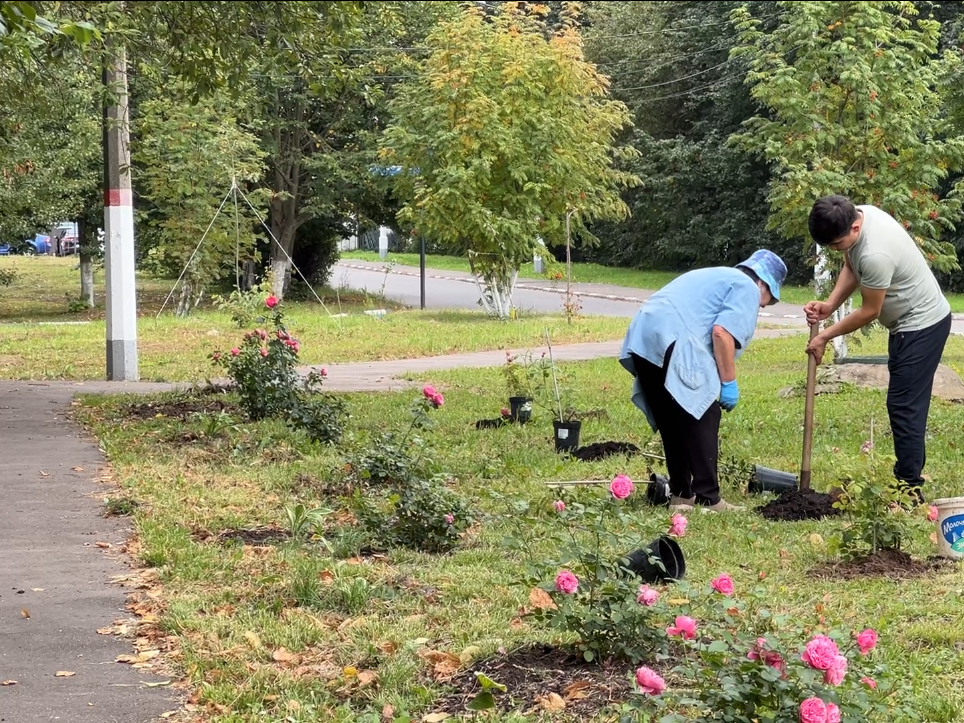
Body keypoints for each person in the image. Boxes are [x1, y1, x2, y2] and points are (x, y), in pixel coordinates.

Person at [804, 195, 952, 505]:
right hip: (907, 325)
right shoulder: (862, 216)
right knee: (904, 404)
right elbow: (851, 265)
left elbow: (870, 310)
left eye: (837, 243)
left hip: (922, 326)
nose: (836, 249)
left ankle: (909, 490)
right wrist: (830, 305)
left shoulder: (875, 253)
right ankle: (905, 482)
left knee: (905, 407)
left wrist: (825, 336)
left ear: (855, 227)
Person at [619, 249, 788, 512]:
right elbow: (722, 333)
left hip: (643, 336)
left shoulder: (718, 276)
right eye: (769, 299)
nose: (764, 305)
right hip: (672, 337)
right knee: (704, 411)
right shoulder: (746, 286)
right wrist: (729, 383)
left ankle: (681, 496)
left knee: (672, 419)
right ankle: (709, 497)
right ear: (762, 283)